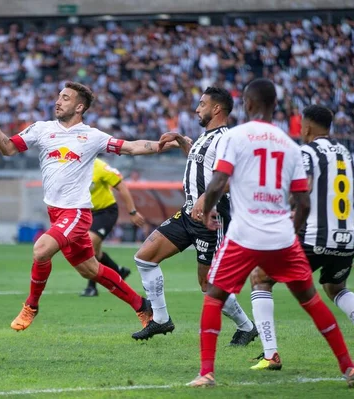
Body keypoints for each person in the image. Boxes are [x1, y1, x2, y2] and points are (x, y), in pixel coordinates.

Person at [0, 81, 190, 332]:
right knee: (90, 270)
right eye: (58, 96)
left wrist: (176, 144)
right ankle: (142, 306)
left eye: (65, 98)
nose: (58, 101)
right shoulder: (41, 129)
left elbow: (132, 147)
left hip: (77, 213)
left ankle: (31, 306)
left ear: (79, 107)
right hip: (56, 214)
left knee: (41, 250)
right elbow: (8, 149)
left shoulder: (92, 136)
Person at [188, 78, 354, 387]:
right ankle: (348, 368)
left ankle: (206, 373)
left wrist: (208, 207)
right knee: (312, 300)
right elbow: (303, 203)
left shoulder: (235, 137)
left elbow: (218, 180)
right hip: (281, 236)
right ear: (275, 106)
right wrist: (290, 233)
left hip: (244, 234)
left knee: (214, 295)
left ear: (248, 104)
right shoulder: (290, 145)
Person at [131, 87, 256, 345]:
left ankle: (246, 327)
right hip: (188, 213)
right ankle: (162, 319)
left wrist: (206, 198)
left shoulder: (226, 139)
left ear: (217, 109)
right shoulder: (204, 137)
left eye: (202, 104)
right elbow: (200, 161)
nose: (197, 109)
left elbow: (233, 176)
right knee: (144, 258)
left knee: (207, 284)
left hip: (213, 216)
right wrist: (180, 140)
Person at [249, 105, 354, 371]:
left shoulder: (305, 152)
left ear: (306, 127)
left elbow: (302, 190)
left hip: (313, 236)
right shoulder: (346, 154)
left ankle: (270, 354)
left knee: (260, 277)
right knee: (336, 288)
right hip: (346, 238)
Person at [80, 157, 145, 297]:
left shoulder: (100, 167)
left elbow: (122, 187)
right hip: (86, 213)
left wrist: (132, 212)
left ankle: (91, 287)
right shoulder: (73, 167)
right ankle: (119, 270)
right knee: (96, 254)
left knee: (89, 245)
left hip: (105, 212)